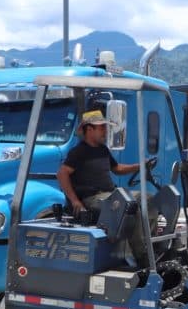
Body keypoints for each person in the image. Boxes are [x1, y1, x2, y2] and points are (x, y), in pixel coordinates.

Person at [56, 109, 156, 264]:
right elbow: (62, 174)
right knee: (129, 205)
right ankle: (142, 256)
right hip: (92, 198)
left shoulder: (102, 150)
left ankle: (150, 245)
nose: (106, 131)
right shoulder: (78, 152)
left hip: (111, 194)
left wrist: (140, 166)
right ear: (89, 129)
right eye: (102, 127)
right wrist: (75, 201)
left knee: (148, 198)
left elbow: (117, 169)